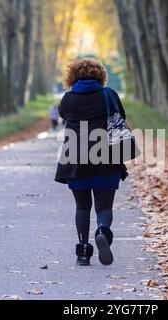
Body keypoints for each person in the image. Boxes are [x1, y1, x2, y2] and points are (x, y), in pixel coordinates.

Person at [55, 58, 128, 266]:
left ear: (73, 76)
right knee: (104, 207)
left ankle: (83, 253)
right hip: (106, 157)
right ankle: (103, 231)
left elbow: (63, 116)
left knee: (82, 206)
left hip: (75, 160)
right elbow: (120, 116)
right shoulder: (109, 94)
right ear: (100, 75)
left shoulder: (68, 99)